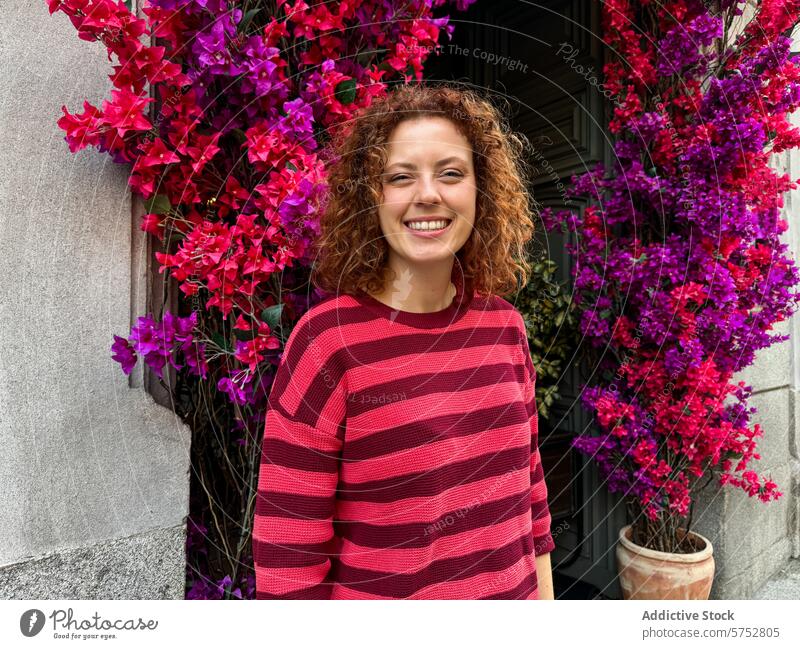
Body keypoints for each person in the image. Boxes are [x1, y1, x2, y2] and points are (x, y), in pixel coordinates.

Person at [252, 83, 555, 599]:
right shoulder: (328, 343)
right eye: (401, 177)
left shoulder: (505, 327)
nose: (428, 194)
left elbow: (530, 502)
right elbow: (288, 559)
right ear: (374, 198)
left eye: (452, 173)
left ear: (481, 190)